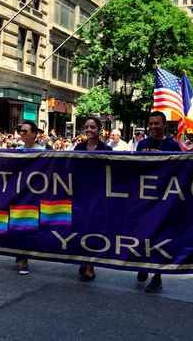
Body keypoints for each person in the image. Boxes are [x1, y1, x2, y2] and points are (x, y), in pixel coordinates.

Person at [135, 111, 182, 293]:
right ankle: (143, 264)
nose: (153, 127)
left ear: (164, 125)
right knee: (142, 234)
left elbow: (180, 172)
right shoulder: (142, 144)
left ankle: (157, 276)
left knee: (160, 238)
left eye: (157, 123)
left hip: (164, 201)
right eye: (151, 123)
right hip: (144, 199)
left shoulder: (173, 146)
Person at [75, 116, 113, 281]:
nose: (89, 130)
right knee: (81, 228)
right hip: (81, 195)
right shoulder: (79, 147)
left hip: (99, 197)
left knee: (93, 229)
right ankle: (84, 258)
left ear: (99, 129)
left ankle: (90, 266)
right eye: (87, 127)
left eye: (93, 127)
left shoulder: (106, 150)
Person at [14, 121, 45, 275]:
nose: (22, 134)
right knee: (18, 224)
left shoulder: (44, 152)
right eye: (20, 131)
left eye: (25, 131)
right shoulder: (16, 151)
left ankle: (24, 258)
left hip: (35, 195)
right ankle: (21, 254)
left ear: (34, 134)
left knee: (29, 225)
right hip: (19, 195)